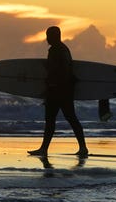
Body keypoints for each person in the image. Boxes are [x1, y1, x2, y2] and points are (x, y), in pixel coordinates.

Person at [28, 26, 89, 158]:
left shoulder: (58, 50)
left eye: (49, 35)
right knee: (62, 119)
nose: (47, 38)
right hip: (62, 91)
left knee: (62, 119)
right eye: (47, 35)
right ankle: (81, 147)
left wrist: (51, 87)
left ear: (56, 36)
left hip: (59, 91)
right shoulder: (61, 49)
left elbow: (60, 72)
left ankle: (82, 147)